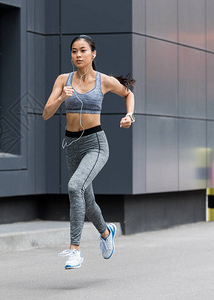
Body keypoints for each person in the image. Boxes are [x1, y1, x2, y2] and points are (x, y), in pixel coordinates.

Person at [42, 34, 135, 270]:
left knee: (75, 187)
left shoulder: (103, 80)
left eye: (83, 50)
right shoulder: (63, 79)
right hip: (71, 144)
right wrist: (62, 96)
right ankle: (106, 232)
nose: (78, 55)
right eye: (74, 51)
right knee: (87, 199)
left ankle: (75, 250)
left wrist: (129, 116)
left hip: (96, 144)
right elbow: (46, 113)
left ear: (93, 54)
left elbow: (128, 93)